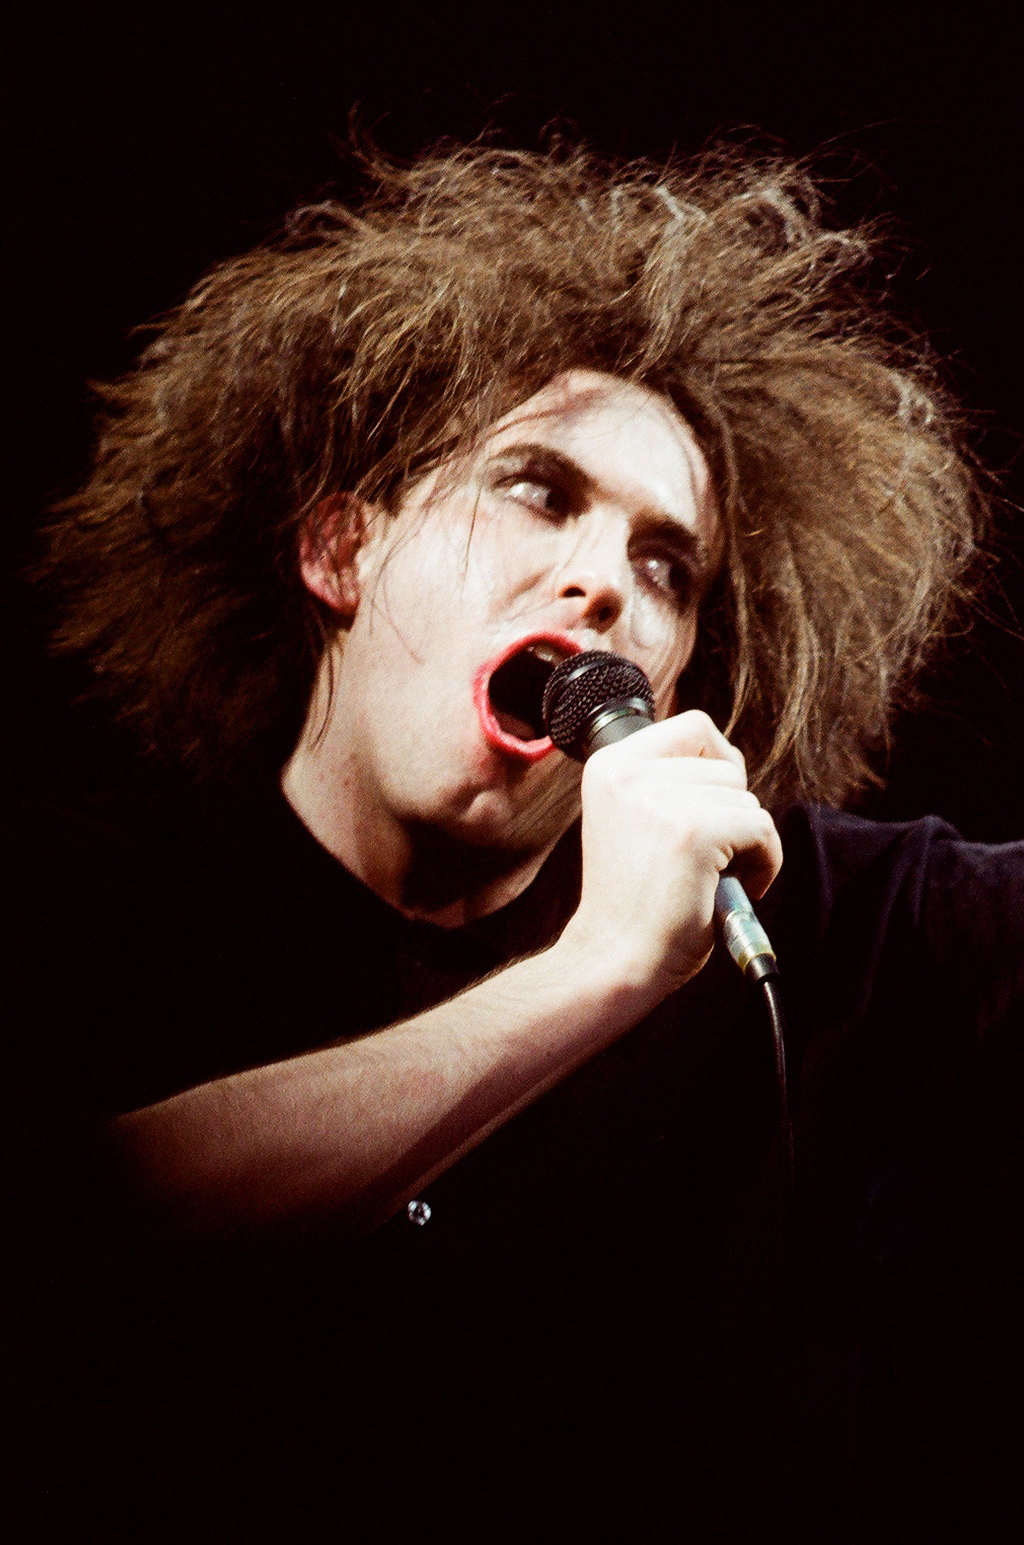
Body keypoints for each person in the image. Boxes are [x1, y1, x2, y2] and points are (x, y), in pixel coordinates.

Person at [9, 142, 1022, 1541]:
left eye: (668, 565)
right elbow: (75, 1231)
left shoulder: (797, 908)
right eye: (539, 490)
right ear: (341, 551)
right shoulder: (89, 901)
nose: (607, 578)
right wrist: (600, 970)